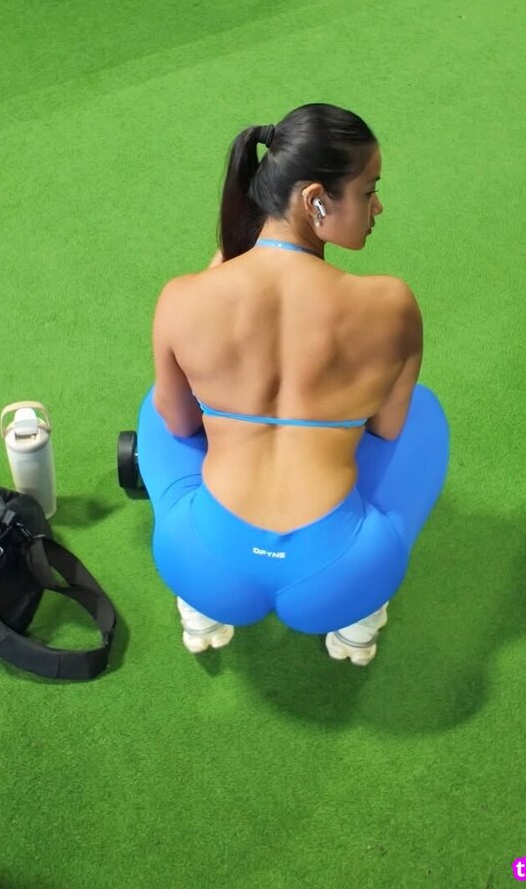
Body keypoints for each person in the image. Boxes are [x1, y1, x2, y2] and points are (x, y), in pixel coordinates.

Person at [137, 103, 449, 666]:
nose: (378, 206)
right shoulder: (391, 303)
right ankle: (358, 628)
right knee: (418, 411)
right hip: (344, 576)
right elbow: (387, 430)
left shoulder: (182, 298)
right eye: (369, 190)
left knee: (161, 405)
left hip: (204, 563)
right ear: (316, 199)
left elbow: (180, 424)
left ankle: (200, 611)